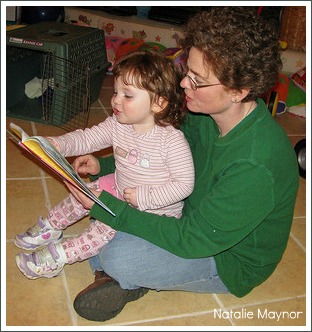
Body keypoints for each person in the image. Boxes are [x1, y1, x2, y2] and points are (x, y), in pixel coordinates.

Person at [63, 7, 300, 322]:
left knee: (117, 253)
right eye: (186, 70)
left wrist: (110, 208)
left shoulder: (256, 165)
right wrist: (105, 168)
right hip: (187, 213)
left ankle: (122, 277)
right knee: (111, 223)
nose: (184, 84)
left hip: (227, 258)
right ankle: (123, 277)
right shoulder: (202, 113)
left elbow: (194, 239)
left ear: (238, 91)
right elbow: (152, 153)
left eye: (197, 80)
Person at [14, 50, 195, 279]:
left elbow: (184, 185)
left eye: (127, 95)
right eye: (116, 91)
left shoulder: (172, 141)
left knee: (101, 230)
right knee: (82, 193)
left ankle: (57, 257)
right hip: (119, 190)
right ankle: (52, 226)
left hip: (153, 211)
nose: (116, 100)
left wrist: (144, 197)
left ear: (158, 103)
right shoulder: (118, 124)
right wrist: (57, 144)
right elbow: (87, 138)